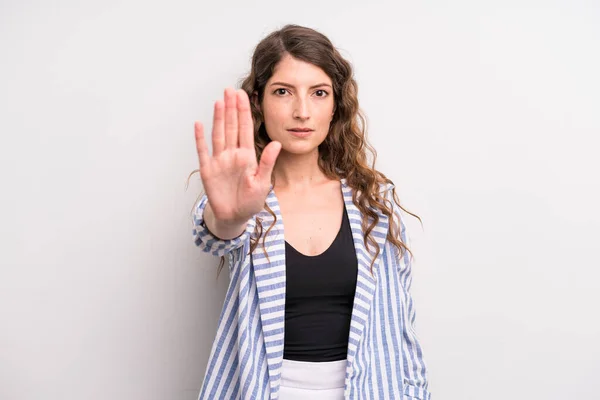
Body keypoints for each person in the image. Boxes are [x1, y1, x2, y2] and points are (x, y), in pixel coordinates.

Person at [191, 24, 431, 400]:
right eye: (283, 92)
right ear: (257, 101)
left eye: (318, 93)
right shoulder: (245, 193)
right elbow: (214, 232)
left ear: (335, 105)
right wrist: (231, 217)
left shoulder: (372, 203)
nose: (302, 111)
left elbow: (402, 330)